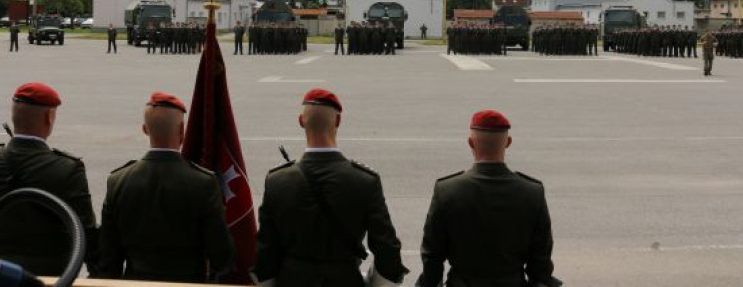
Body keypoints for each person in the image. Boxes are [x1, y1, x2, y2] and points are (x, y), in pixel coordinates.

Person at [253, 88, 408, 286]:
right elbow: (388, 254)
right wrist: (370, 282)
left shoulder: (277, 182)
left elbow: (264, 255)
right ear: (338, 121)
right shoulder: (365, 181)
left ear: (301, 121)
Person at [98, 92, 234, 282]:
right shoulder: (203, 183)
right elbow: (221, 254)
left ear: (145, 129)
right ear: (182, 130)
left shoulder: (118, 181)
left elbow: (108, 257)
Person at [416, 110, 561, 287]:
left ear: (470, 143)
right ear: (508, 142)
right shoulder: (532, 192)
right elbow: (540, 262)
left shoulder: (447, 191)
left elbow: (432, 255)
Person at [0, 82, 100, 276]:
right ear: (49, 117)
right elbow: (86, 234)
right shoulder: (66, 169)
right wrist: (100, 276)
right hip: (49, 278)